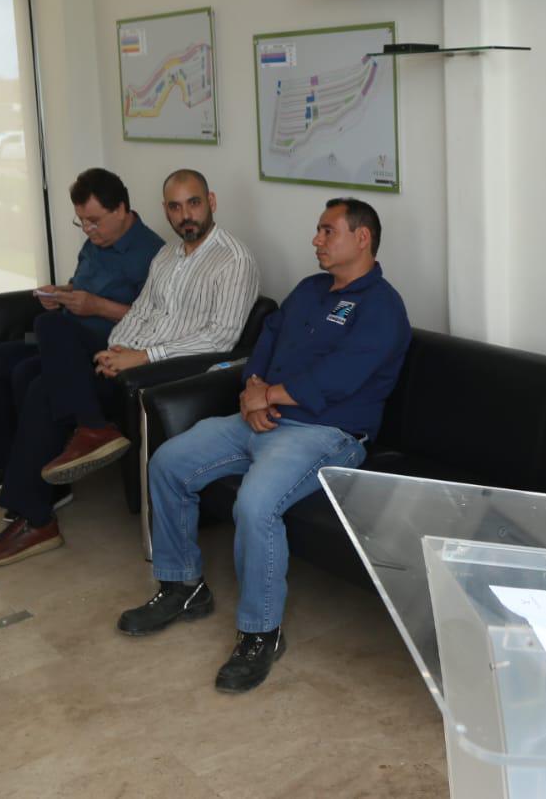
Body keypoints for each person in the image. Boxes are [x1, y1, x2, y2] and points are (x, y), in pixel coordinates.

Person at [117, 198, 409, 694]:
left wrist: (268, 396)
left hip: (325, 434)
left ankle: (261, 633)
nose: (316, 239)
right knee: (168, 462)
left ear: (362, 238)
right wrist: (252, 388)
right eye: (318, 230)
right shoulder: (310, 289)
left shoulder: (382, 306)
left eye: (328, 231)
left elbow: (342, 377)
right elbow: (267, 342)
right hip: (261, 417)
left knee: (255, 504)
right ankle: (183, 586)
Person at [0, 169, 260, 568]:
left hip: (166, 375)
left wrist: (141, 357)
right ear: (165, 210)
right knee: (45, 358)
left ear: (211, 201)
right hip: (130, 358)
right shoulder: (168, 256)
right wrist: (115, 348)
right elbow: (141, 313)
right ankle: (43, 505)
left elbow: (220, 339)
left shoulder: (234, 259)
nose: (185, 215)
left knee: (46, 370)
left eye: (193, 203)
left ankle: (43, 504)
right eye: (175, 207)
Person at [0, 168, 163, 504]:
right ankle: (2, 465)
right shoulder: (95, 243)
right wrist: (61, 294)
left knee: (32, 364)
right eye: (81, 222)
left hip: (101, 347)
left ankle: (58, 472)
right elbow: (80, 285)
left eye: (94, 221)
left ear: (121, 209)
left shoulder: (153, 254)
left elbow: (157, 321)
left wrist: (97, 306)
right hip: (62, 339)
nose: (88, 230)